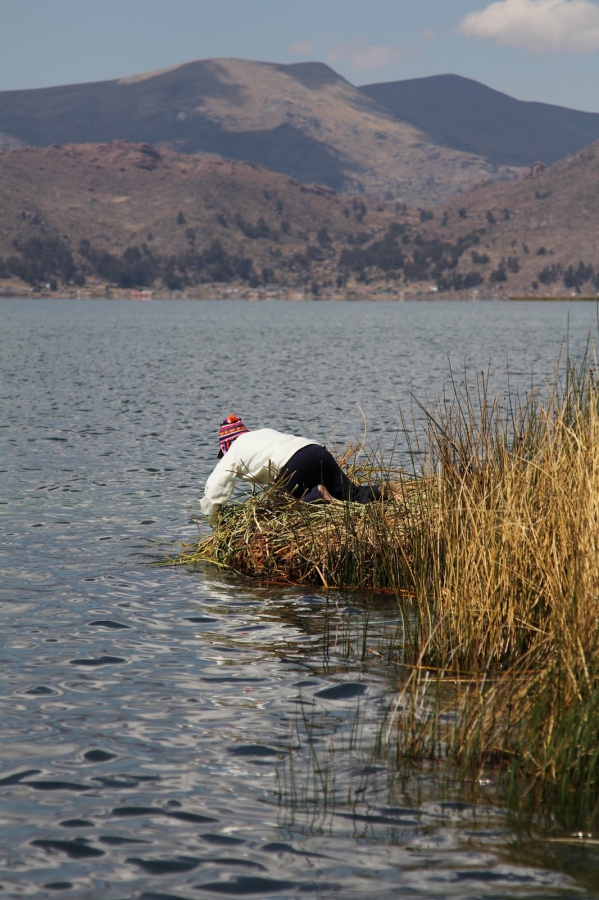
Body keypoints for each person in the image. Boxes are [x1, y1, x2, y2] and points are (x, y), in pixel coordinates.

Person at [200, 413, 402, 527]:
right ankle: (382, 490)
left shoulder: (234, 450)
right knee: (349, 495)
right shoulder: (262, 434)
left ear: (226, 445)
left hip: (292, 464)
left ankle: (317, 495)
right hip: (316, 451)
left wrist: (216, 523)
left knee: (286, 512)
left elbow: (213, 493)